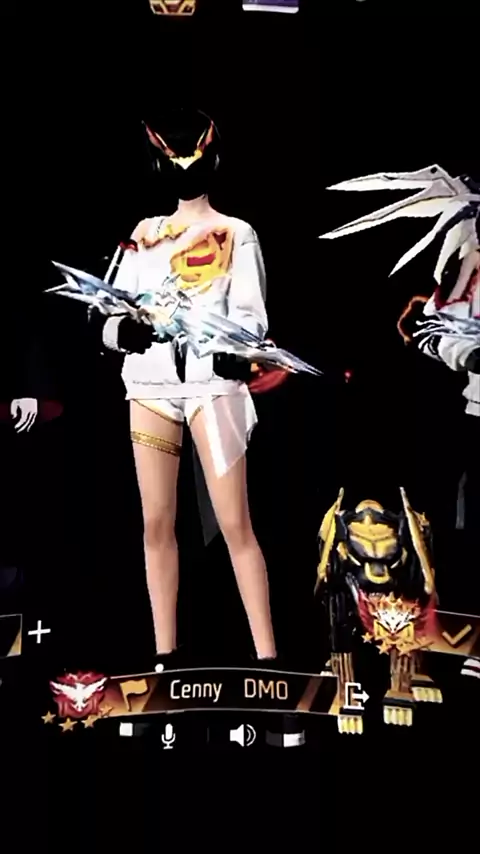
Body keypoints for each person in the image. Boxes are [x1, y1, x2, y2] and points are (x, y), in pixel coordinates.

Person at [99, 108, 277, 667]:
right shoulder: (144, 233)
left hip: (211, 388)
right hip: (150, 386)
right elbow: (109, 308)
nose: (182, 167)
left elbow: (250, 316)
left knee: (234, 523)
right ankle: (164, 657)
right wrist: (120, 331)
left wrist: (237, 351)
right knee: (156, 523)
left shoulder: (236, 233)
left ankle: (267, 659)